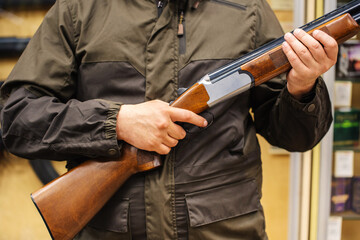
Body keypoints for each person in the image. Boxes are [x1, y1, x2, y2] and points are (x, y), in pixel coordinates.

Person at [0, 0, 337, 239]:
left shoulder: (248, 9)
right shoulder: (80, 8)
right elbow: (17, 118)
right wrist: (116, 122)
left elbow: (295, 137)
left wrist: (302, 86)